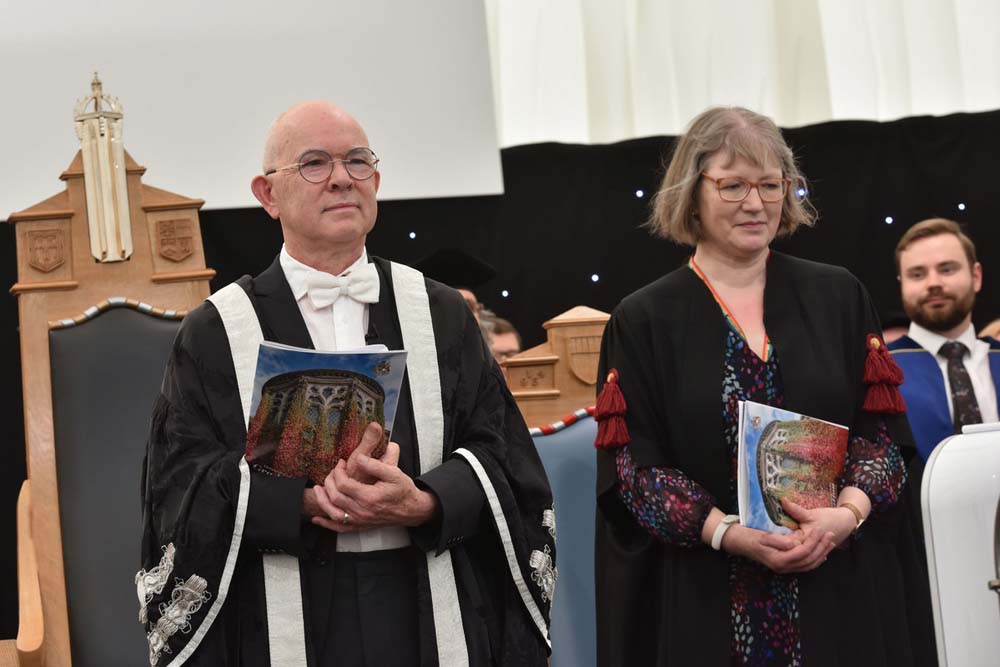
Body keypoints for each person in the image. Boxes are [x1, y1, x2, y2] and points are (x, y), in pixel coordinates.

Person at [138, 101, 555, 666]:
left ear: (375, 182)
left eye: (357, 161)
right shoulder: (215, 330)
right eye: (314, 163)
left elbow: (502, 455)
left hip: (427, 606)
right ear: (267, 194)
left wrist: (425, 501)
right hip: (279, 614)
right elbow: (179, 485)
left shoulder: (441, 313)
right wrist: (301, 502)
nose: (341, 178)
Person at [594, 106, 930, 666]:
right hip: (707, 597)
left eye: (771, 185)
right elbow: (634, 473)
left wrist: (845, 516)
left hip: (839, 588)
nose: (755, 203)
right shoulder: (644, 319)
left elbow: (881, 437)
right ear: (691, 194)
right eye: (732, 186)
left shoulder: (839, 296)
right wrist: (729, 533)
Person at [889, 218, 1000, 464]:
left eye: (947, 269)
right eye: (917, 274)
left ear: (976, 276)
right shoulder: (879, 371)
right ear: (902, 284)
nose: (933, 283)